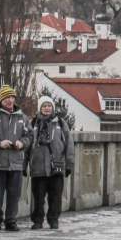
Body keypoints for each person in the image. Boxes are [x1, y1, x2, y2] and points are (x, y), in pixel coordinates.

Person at [0, 85, 33, 231]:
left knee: (14, 195)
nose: (10, 100)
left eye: (12, 98)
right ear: (1, 99)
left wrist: (22, 143)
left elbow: (29, 136)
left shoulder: (22, 117)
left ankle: (11, 220)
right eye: (7, 98)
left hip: (16, 162)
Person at [27, 95, 74, 229]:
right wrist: (24, 164)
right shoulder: (33, 124)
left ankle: (53, 219)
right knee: (38, 196)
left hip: (56, 166)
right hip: (38, 167)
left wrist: (69, 164)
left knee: (55, 196)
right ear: (40, 108)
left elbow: (69, 144)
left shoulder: (60, 123)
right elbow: (27, 146)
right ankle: (37, 220)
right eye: (44, 106)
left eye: (49, 106)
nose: (47, 108)